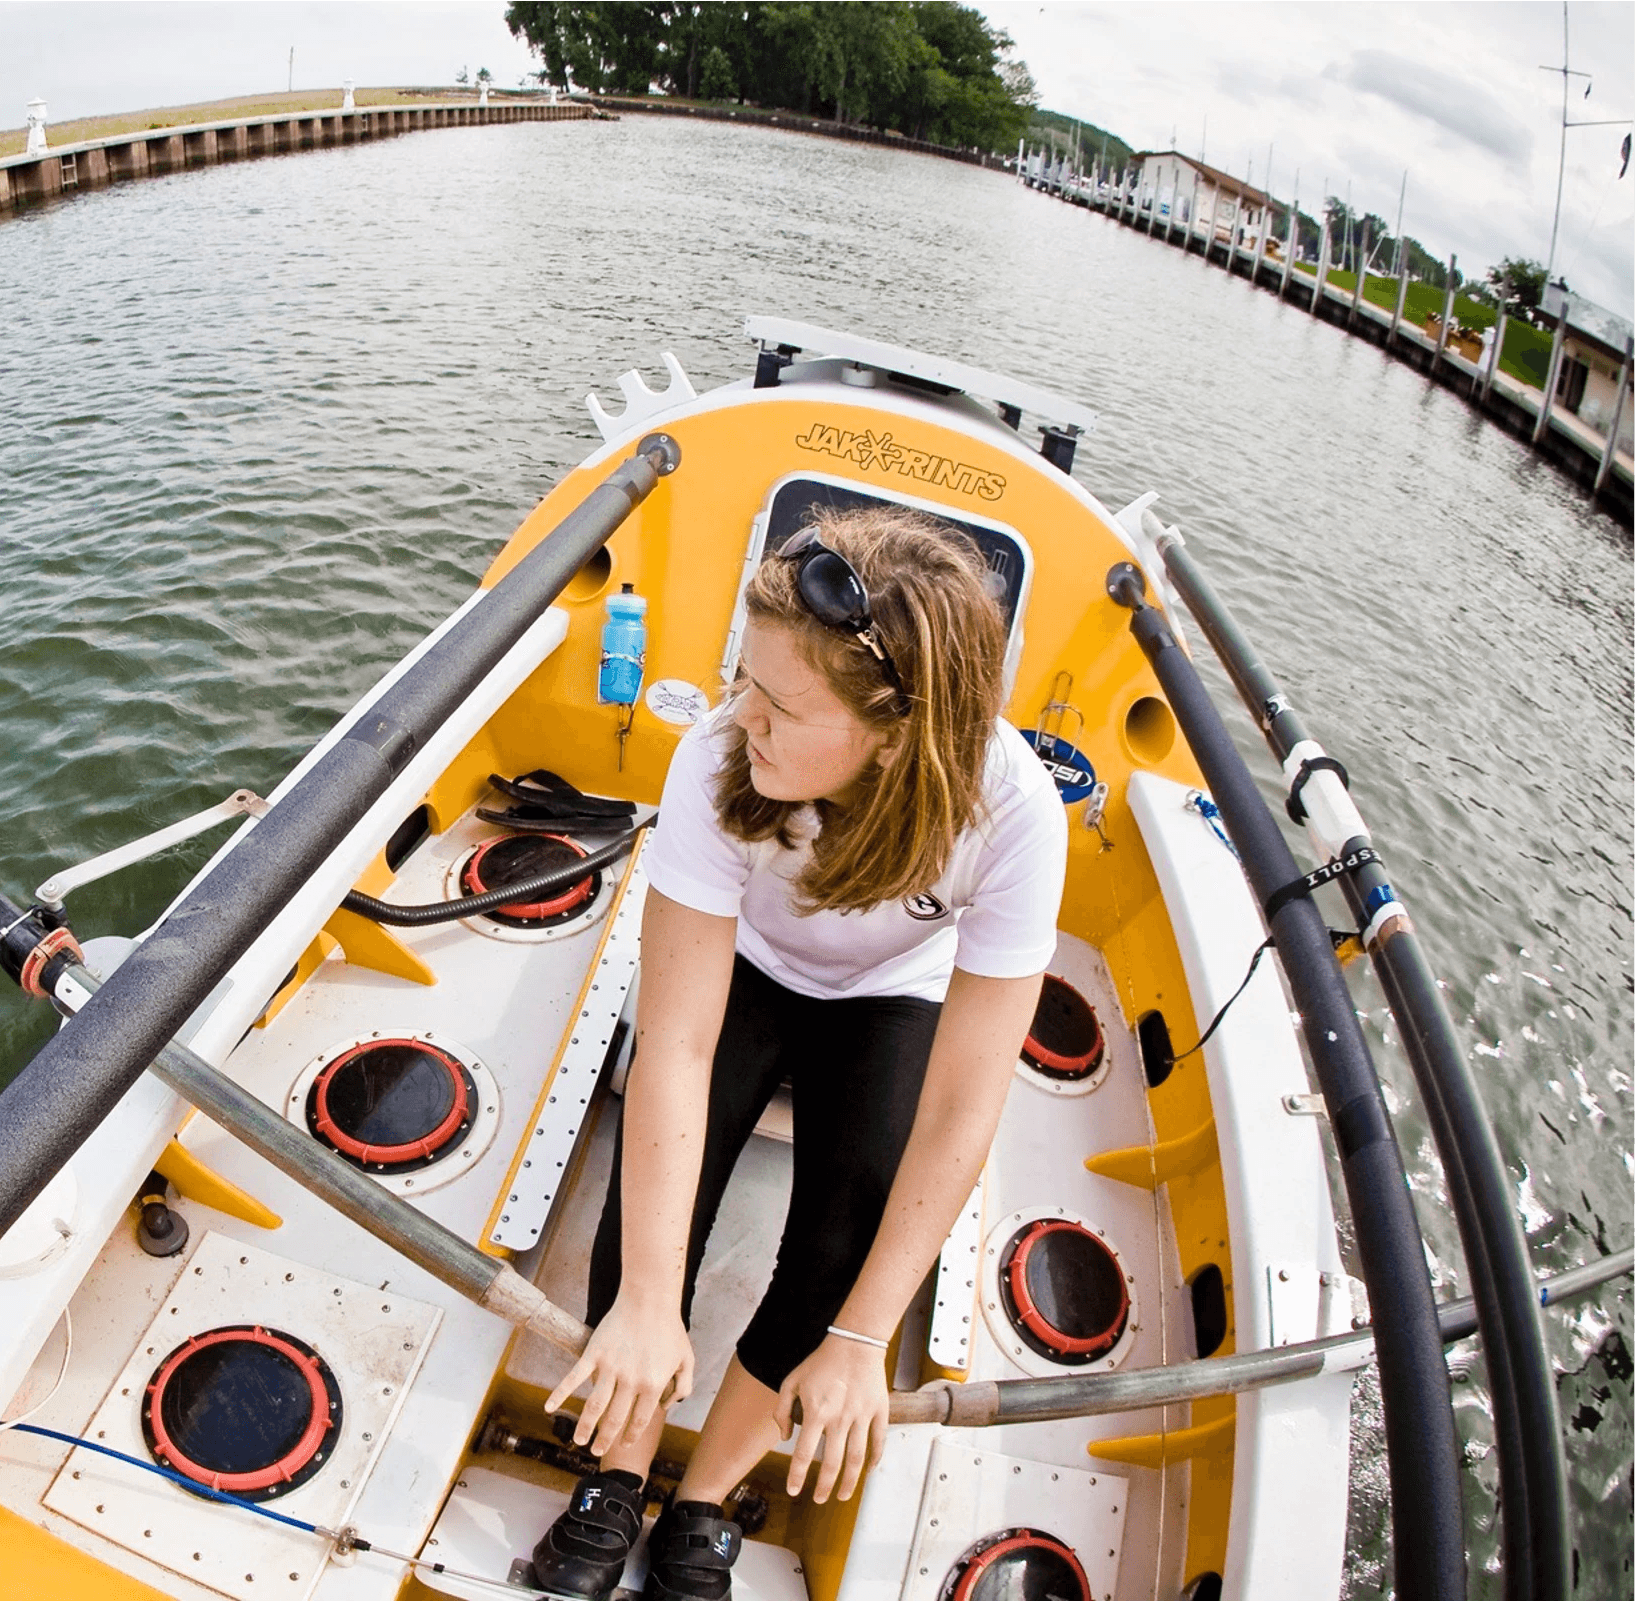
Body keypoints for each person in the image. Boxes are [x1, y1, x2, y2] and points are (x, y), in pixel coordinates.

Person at [529, 505, 1068, 1601]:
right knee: (652, 1207)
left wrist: (862, 1341)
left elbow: (962, 1110)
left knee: (844, 1237)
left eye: (779, 705)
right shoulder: (717, 755)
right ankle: (618, 1474)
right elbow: (677, 1044)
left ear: (896, 734)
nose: (742, 716)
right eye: (745, 679)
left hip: (889, 993)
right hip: (747, 963)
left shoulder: (1012, 815)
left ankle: (702, 1499)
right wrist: (648, 1300)